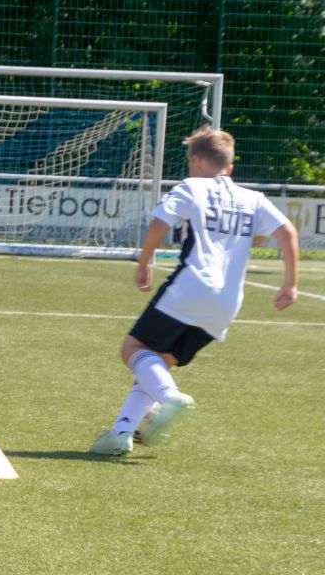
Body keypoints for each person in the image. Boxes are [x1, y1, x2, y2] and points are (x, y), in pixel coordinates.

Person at [90, 126, 299, 456]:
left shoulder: (192, 186)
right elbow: (287, 232)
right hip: (226, 304)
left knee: (132, 349)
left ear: (197, 160)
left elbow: (159, 223)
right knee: (157, 362)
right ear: (229, 167)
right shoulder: (253, 199)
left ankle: (169, 398)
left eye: (190, 162)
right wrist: (290, 284)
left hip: (190, 287)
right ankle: (121, 432)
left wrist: (144, 262)